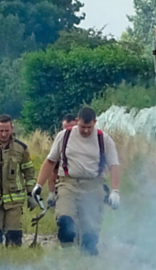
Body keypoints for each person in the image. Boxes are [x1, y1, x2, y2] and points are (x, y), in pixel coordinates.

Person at [32, 106, 120, 255]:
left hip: (93, 186)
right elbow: (50, 162)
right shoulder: (64, 136)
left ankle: (87, 258)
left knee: (90, 235)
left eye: (89, 127)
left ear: (95, 122)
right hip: (68, 184)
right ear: (77, 121)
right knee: (65, 222)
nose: (85, 131)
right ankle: (67, 255)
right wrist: (38, 185)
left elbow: (114, 165)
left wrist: (115, 191)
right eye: (82, 127)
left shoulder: (104, 139)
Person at [0, 115, 36, 248]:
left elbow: (29, 173)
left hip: (14, 201)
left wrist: (31, 194)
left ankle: (13, 263)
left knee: (14, 237)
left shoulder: (21, 148)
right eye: (0, 131)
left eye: (6, 131)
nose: (4, 134)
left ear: (12, 128)